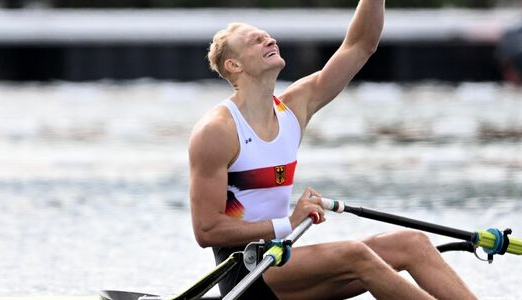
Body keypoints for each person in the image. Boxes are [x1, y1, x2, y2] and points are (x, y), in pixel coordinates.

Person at [188, 1, 477, 299]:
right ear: (234, 65)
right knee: (354, 254)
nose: (269, 40)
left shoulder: (295, 107)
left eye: (268, 36)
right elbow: (207, 230)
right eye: (256, 40)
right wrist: (287, 223)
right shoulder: (217, 131)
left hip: (281, 261)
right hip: (245, 276)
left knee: (411, 243)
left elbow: (361, 44)